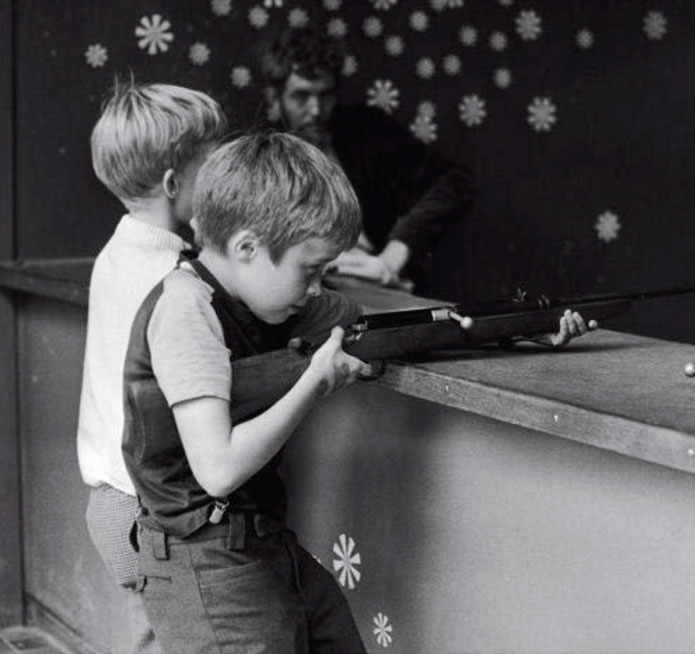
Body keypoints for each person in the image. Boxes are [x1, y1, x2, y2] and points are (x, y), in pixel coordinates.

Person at [121, 131, 589, 653]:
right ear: (248, 247)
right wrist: (314, 383)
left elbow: (389, 328)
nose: (319, 287)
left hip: (259, 543)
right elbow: (218, 469)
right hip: (200, 554)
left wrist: (519, 329)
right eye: (310, 269)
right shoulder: (187, 309)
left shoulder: (273, 301)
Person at [77, 81, 227, 654]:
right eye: (211, 165)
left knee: (158, 638)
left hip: (110, 503)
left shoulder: (115, 255)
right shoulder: (175, 282)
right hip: (145, 512)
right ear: (173, 184)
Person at [259, 25, 476, 293]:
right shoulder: (260, 152)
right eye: (301, 96)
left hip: (384, 289)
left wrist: (393, 257)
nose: (315, 110)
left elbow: (455, 182)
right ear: (275, 96)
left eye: (325, 95)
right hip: (303, 297)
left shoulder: (368, 131)